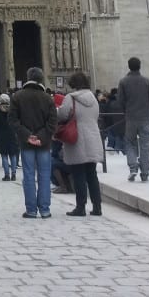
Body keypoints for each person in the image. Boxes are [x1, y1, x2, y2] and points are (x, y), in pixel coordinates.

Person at [8, 66, 57, 218]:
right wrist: (41, 137)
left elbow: (12, 120)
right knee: (44, 175)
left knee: (28, 175)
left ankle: (31, 210)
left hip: (26, 143)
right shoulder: (47, 98)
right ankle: (45, 209)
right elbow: (52, 122)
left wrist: (28, 135)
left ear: (28, 78)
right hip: (44, 143)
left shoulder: (17, 96)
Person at [56, 71, 103, 216]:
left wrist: (57, 110)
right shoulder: (93, 98)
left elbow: (63, 115)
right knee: (92, 174)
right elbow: (96, 115)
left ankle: (80, 207)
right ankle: (97, 207)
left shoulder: (71, 98)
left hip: (77, 138)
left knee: (78, 175)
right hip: (93, 136)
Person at [117, 56, 149, 183]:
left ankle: (133, 168)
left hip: (131, 117)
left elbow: (120, 101)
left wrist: (126, 112)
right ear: (140, 66)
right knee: (145, 146)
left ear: (129, 66)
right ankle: (145, 173)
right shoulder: (147, 81)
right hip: (145, 117)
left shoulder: (123, 82)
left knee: (130, 143)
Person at [0, 93, 19, 181]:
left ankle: (7, 174)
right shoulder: (13, 111)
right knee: (13, 155)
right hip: (12, 135)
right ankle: (14, 173)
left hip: (1, 135)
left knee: (4, 155)